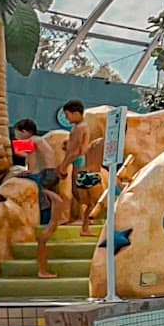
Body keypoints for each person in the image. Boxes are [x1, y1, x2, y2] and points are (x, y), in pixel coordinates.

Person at [14, 118, 64, 279]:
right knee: (46, 198)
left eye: (18, 134)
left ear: (25, 131)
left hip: (43, 174)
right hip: (50, 173)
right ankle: (48, 217)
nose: (18, 137)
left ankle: (44, 221)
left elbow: (17, 152)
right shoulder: (39, 141)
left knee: (41, 197)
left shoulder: (33, 140)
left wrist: (29, 172)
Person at [59, 100, 107, 237]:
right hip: (80, 165)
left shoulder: (80, 128)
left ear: (75, 113)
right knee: (83, 198)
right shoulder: (78, 127)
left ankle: (85, 224)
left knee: (87, 198)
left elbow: (77, 151)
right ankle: (85, 226)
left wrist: (63, 166)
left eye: (67, 114)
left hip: (81, 165)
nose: (66, 118)